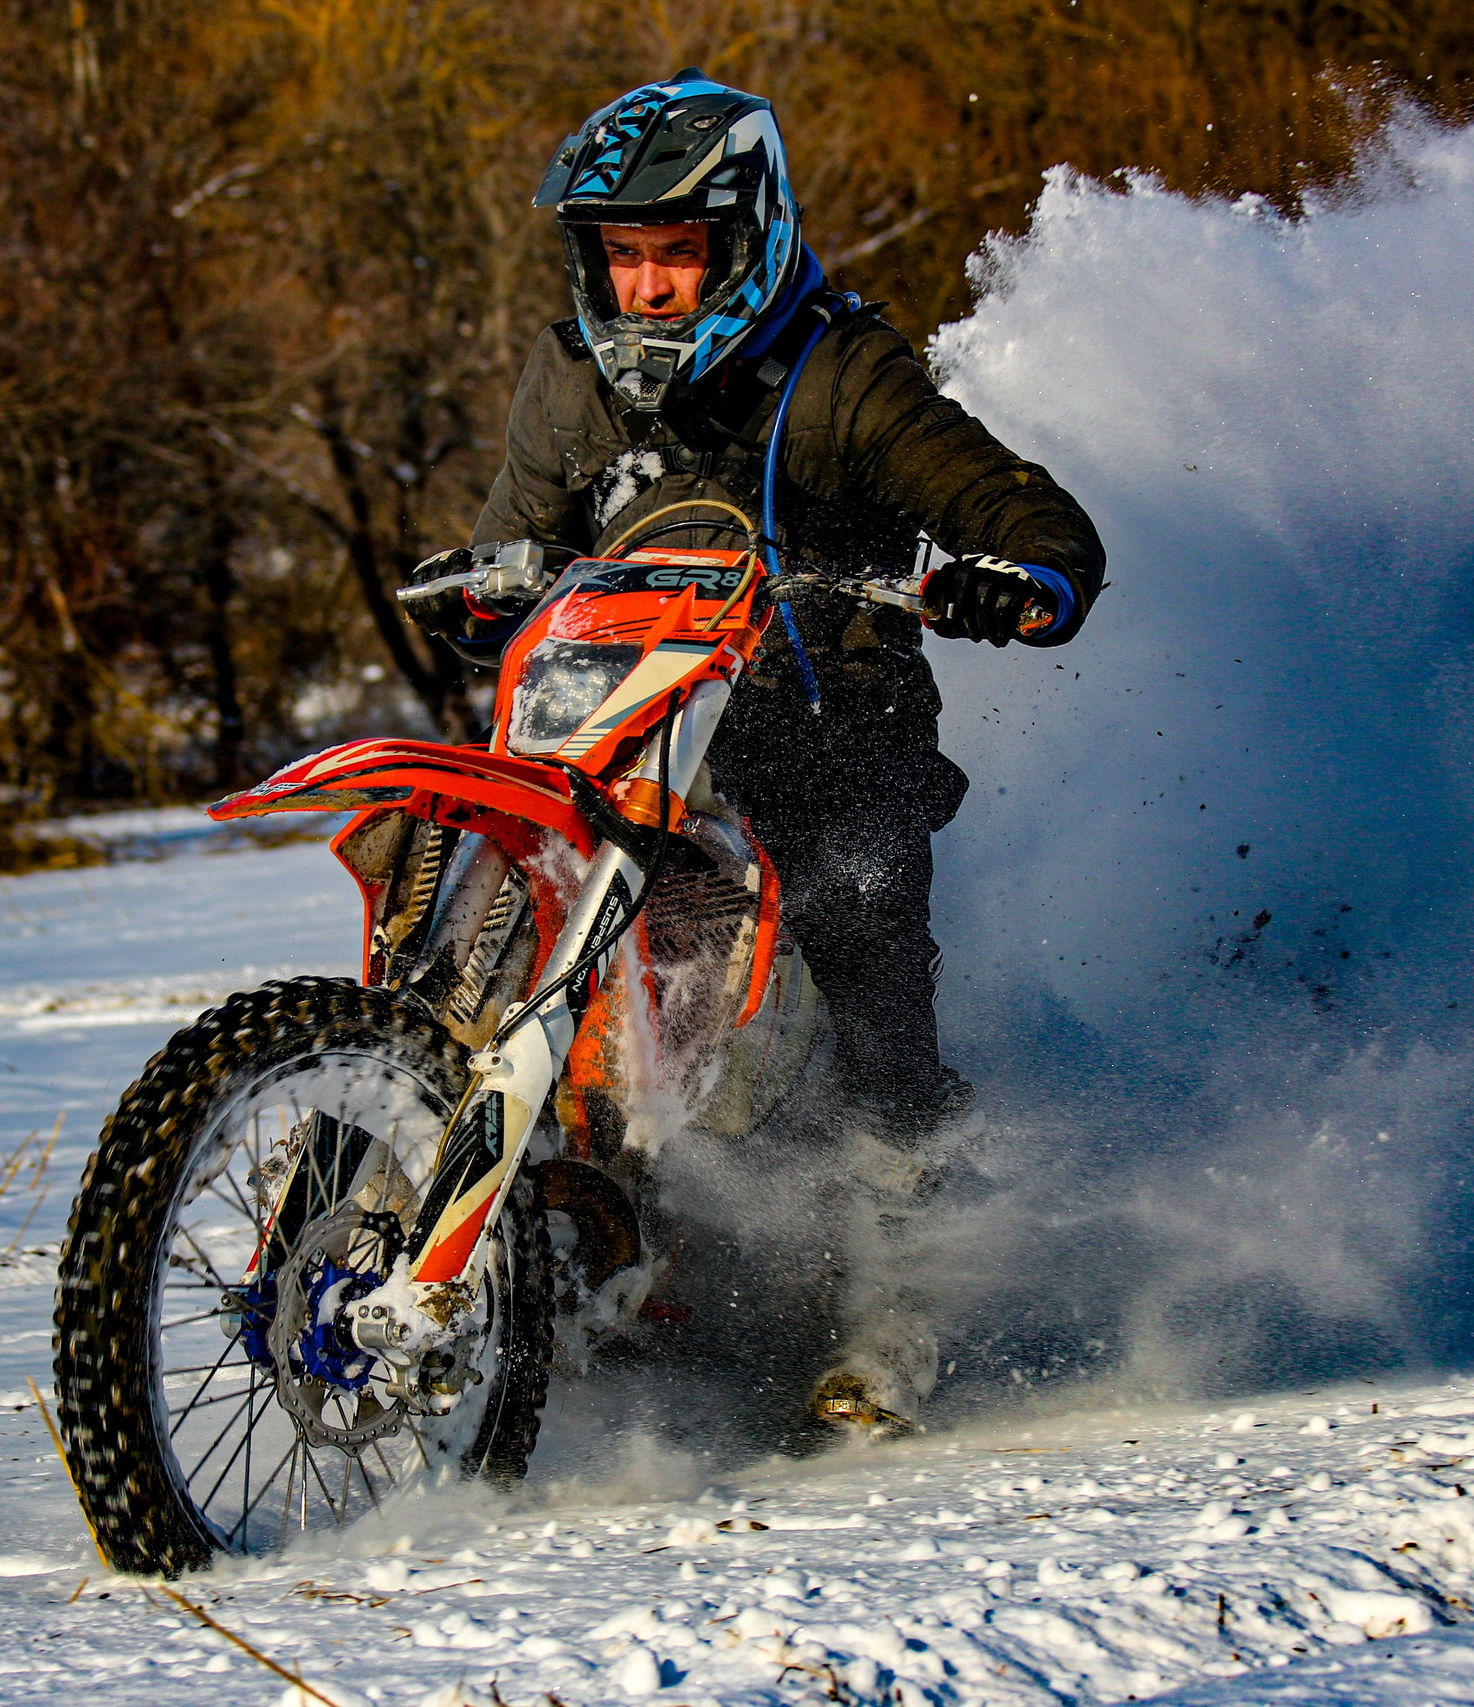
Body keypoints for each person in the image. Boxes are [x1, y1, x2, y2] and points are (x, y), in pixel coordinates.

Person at [408, 73, 1105, 1430]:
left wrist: (1022, 573)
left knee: (865, 942)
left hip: (825, 725)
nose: (647, 285)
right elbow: (516, 548)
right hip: (616, 727)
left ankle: (899, 1298)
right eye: (623, 254)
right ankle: (462, 1184)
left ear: (748, 237)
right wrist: (483, 596)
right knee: (463, 897)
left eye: (676, 252)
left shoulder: (844, 374)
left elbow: (1025, 512)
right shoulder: (571, 375)